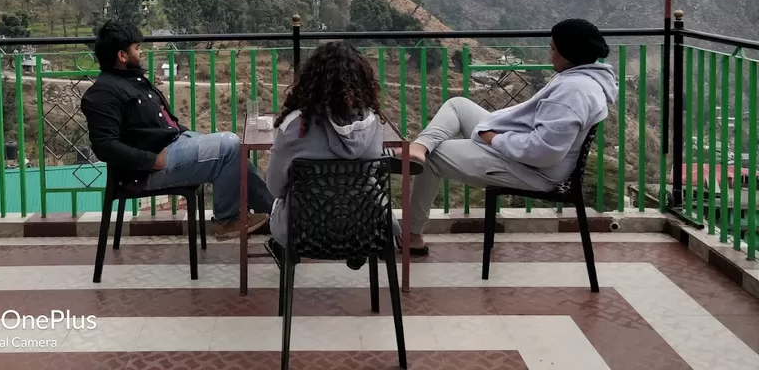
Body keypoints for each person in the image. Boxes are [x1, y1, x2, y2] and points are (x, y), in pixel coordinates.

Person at [406, 18, 617, 255]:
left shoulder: (573, 92)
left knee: (433, 158)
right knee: (458, 105)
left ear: (569, 53)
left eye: (553, 49)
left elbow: (544, 152)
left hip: (532, 171)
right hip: (523, 153)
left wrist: (495, 139)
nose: (550, 54)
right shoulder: (584, 78)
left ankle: (412, 234)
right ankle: (419, 146)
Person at [81, 20, 274, 241]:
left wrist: (187, 136)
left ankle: (278, 212)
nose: (141, 52)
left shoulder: (133, 81)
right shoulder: (102, 93)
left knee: (235, 152)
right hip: (148, 171)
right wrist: (151, 161)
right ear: (122, 56)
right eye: (136, 48)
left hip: (175, 143)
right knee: (229, 143)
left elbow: (161, 123)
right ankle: (227, 221)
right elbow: (104, 146)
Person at [264, 40, 402, 269]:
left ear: (311, 80)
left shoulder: (295, 126)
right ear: (361, 81)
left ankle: (285, 251)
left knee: (281, 203)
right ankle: (354, 247)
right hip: (366, 227)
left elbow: (275, 187)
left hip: (305, 231)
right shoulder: (373, 123)